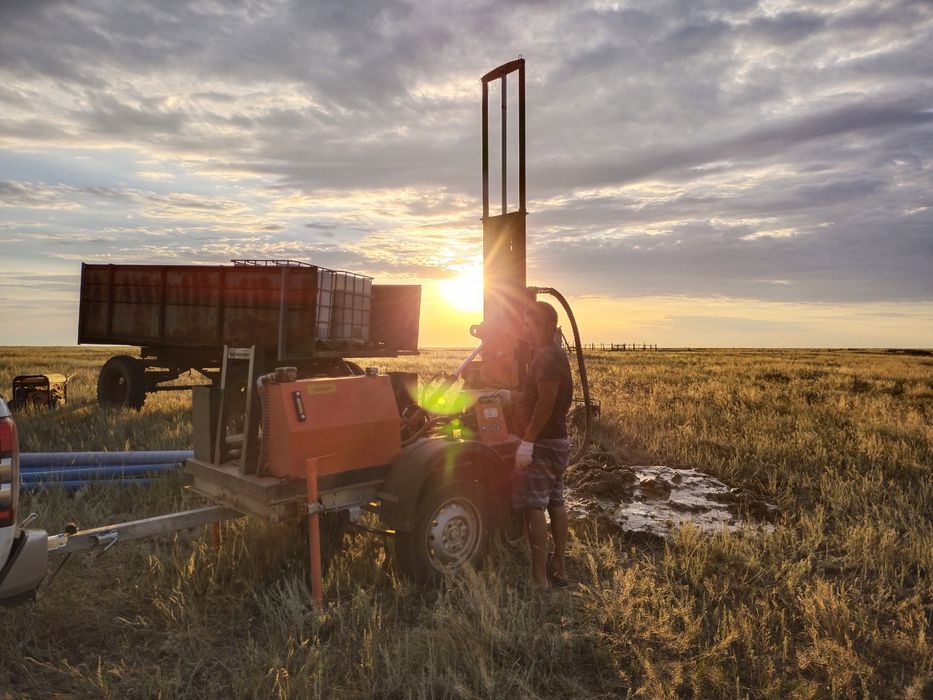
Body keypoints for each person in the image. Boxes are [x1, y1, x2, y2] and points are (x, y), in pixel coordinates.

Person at [512, 300, 573, 588]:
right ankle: (559, 569)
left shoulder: (547, 357)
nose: (525, 329)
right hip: (557, 440)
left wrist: (528, 441)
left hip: (543, 442)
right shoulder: (555, 354)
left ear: (548, 325)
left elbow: (546, 401)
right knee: (556, 502)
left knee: (534, 507)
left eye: (530, 324)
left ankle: (539, 579)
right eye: (524, 324)